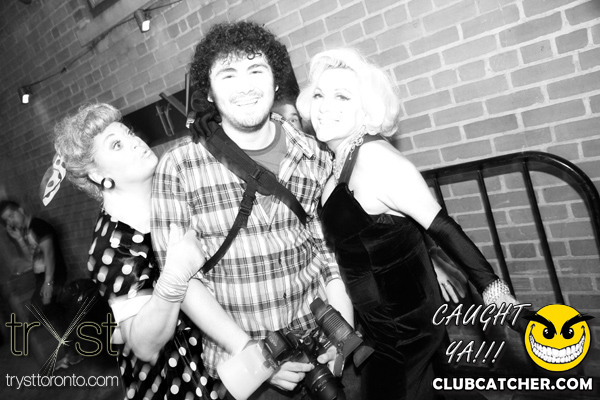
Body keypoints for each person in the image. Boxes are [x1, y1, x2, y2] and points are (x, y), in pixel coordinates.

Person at [296, 48, 523, 400]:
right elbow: (388, 227)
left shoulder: (377, 159)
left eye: (342, 96)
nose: (325, 107)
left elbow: (442, 227)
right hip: (380, 324)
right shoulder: (339, 158)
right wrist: (430, 260)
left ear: (367, 109)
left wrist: (496, 294)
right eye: (319, 95)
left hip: (403, 331)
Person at [151, 21, 355, 399]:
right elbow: (184, 281)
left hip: (322, 346)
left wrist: (341, 324)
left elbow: (326, 247)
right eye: (228, 74)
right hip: (245, 366)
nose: (245, 86)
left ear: (276, 81)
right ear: (208, 92)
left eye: (256, 70)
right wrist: (253, 353)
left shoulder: (312, 153)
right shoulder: (178, 168)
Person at [52, 103, 245, 399]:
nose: (135, 142)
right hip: (180, 381)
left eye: (129, 133)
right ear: (97, 174)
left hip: (224, 357)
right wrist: (175, 275)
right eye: (116, 144)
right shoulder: (112, 246)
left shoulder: (169, 199)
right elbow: (143, 344)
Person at [0, 199, 81, 369]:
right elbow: (31, 259)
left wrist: (49, 282)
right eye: (7, 220)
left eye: (11, 215)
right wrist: (19, 239)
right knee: (53, 315)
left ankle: (74, 350)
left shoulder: (39, 226)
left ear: (21, 210)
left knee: (42, 314)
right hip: (42, 280)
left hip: (53, 277)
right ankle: (74, 351)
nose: (11, 222)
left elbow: (49, 254)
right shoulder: (27, 231)